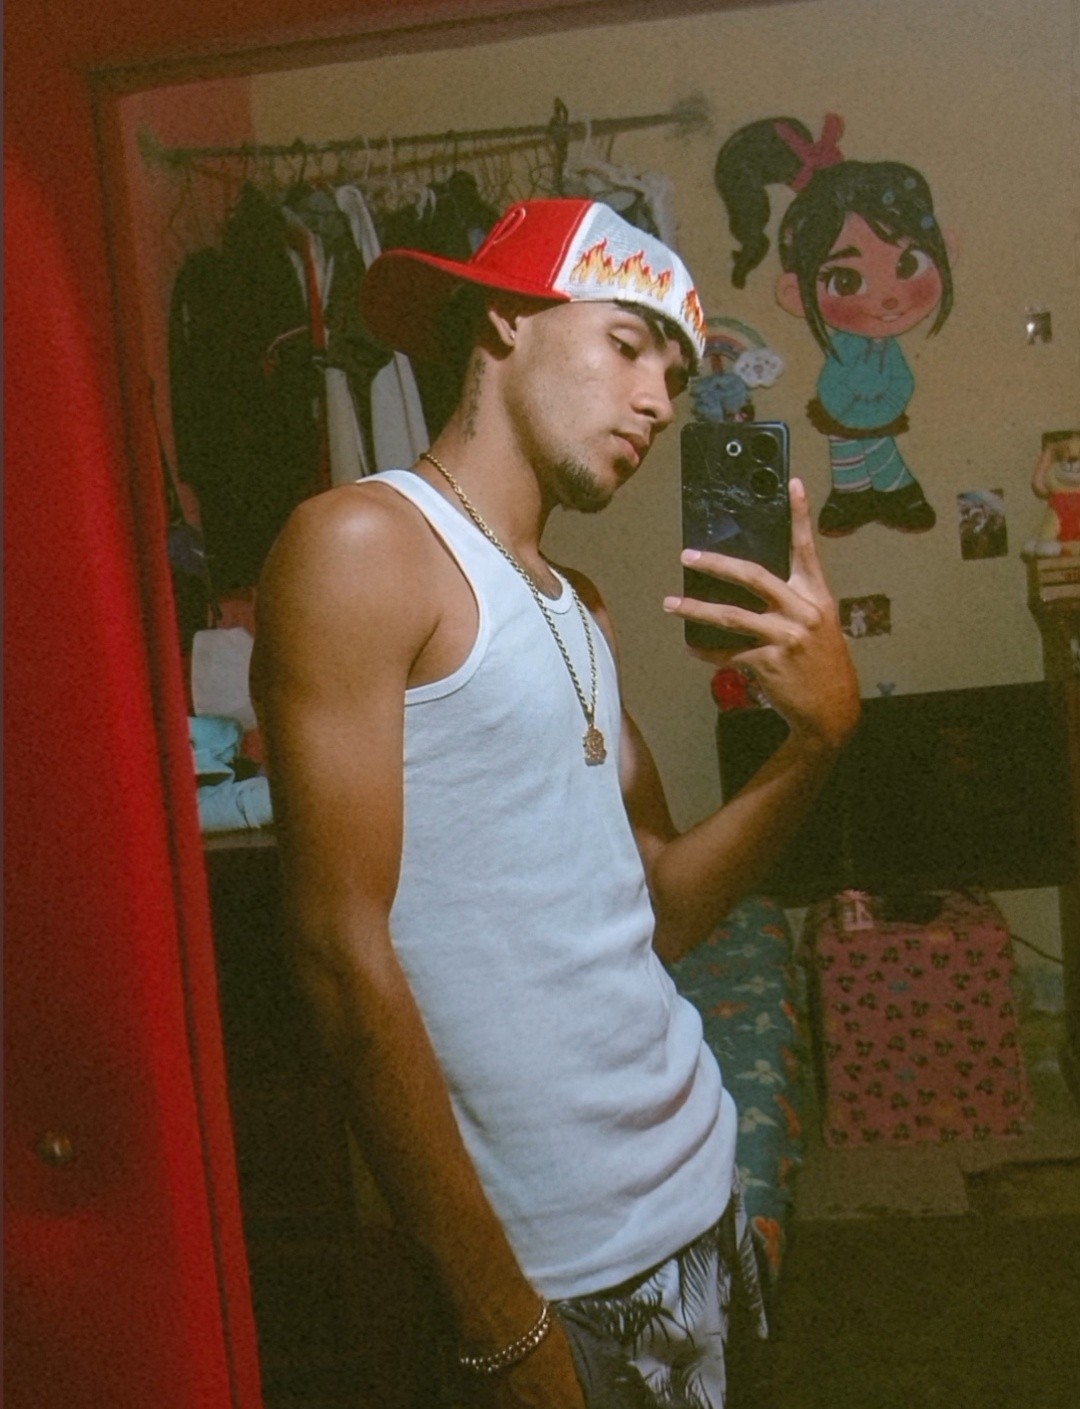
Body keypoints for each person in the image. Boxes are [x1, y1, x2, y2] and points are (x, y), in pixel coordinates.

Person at [250, 198, 860, 1408]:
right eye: (627, 346)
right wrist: (500, 1321)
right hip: (557, 1269)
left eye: (675, 376)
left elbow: (664, 907)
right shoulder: (365, 544)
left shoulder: (580, 603)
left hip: (699, 1182)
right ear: (504, 322)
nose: (658, 402)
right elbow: (336, 954)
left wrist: (816, 742)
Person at [714, 113, 955, 538]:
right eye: (846, 281)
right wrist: (853, 408)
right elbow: (834, 384)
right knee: (850, 452)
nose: (889, 299)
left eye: (907, 265)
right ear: (794, 293)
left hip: (876, 410)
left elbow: (902, 378)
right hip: (845, 410)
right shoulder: (845, 347)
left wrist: (886, 403)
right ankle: (868, 494)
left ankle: (875, 493)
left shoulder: (883, 347)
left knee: (865, 449)